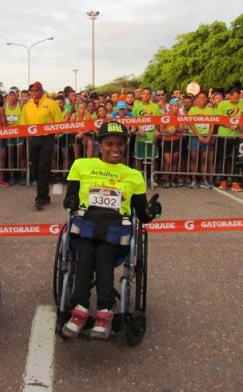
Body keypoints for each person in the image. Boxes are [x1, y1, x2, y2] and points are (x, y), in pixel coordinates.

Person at [61, 121, 162, 340]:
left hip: (115, 231)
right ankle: (80, 308)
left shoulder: (133, 175)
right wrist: (70, 200)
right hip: (86, 226)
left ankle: (105, 311)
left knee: (104, 252)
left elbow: (143, 216)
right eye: (109, 144)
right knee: (86, 250)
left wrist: (153, 211)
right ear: (99, 144)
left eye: (119, 144)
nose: (115, 148)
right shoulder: (81, 165)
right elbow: (70, 201)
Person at [19, 81, 63, 210]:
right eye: (31, 91)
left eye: (36, 90)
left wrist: (55, 136)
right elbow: (23, 124)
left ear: (42, 91)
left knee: (44, 166)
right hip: (33, 140)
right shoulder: (27, 106)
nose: (33, 93)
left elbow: (59, 122)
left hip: (47, 139)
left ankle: (40, 197)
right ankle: (45, 195)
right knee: (36, 168)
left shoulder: (51, 104)